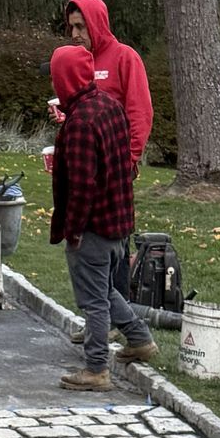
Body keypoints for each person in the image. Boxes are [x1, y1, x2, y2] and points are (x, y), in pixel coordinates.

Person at [49, 44, 155, 393]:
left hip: (92, 227)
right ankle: (140, 339)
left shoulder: (79, 124)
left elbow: (81, 187)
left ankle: (96, 368)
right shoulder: (109, 105)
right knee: (105, 289)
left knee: (93, 300)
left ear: (64, 78)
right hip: (118, 223)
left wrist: (74, 231)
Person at [64, 0, 153, 169]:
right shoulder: (77, 61)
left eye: (80, 27)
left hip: (115, 161)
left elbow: (140, 112)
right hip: (81, 161)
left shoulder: (125, 57)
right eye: (72, 27)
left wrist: (129, 159)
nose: (75, 34)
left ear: (96, 24)